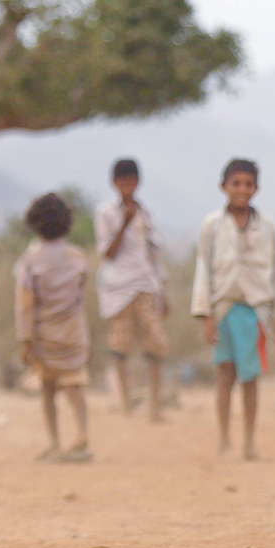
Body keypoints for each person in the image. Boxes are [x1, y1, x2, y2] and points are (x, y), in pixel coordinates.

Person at [191, 158, 275, 459]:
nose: (242, 190)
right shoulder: (212, 225)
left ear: (256, 188)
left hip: (255, 312)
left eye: (248, 184)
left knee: (250, 377)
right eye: (236, 184)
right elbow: (203, 268)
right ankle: (223, 440)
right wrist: (205, 313)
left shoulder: (267, 226)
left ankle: (249, 440)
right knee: (225, 374)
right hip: (223, 308)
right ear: (224, 186)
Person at [16, 193, 93, 463]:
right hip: (73, 332)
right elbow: (82, 285)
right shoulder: (77, 257)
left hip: (44, 334)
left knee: (48, 389)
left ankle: (55, 443)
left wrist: (25, 340)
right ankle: (82, 436)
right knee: (75, 385)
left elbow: (25, 304)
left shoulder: (30, 261)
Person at [95, 159, 170, 420]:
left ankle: (155, 406)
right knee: (120, 346)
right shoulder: (106, 213)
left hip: (146, 285)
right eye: (122, 182)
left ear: (138, 182)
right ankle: (125, 404)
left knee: (155, 345)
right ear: (114, 184)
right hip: (118, 288)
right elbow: (108, 253)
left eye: (131, 181)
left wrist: (162, 290)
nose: (127, 187)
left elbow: (154, 254)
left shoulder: (146, 213)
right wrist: (124, 223)